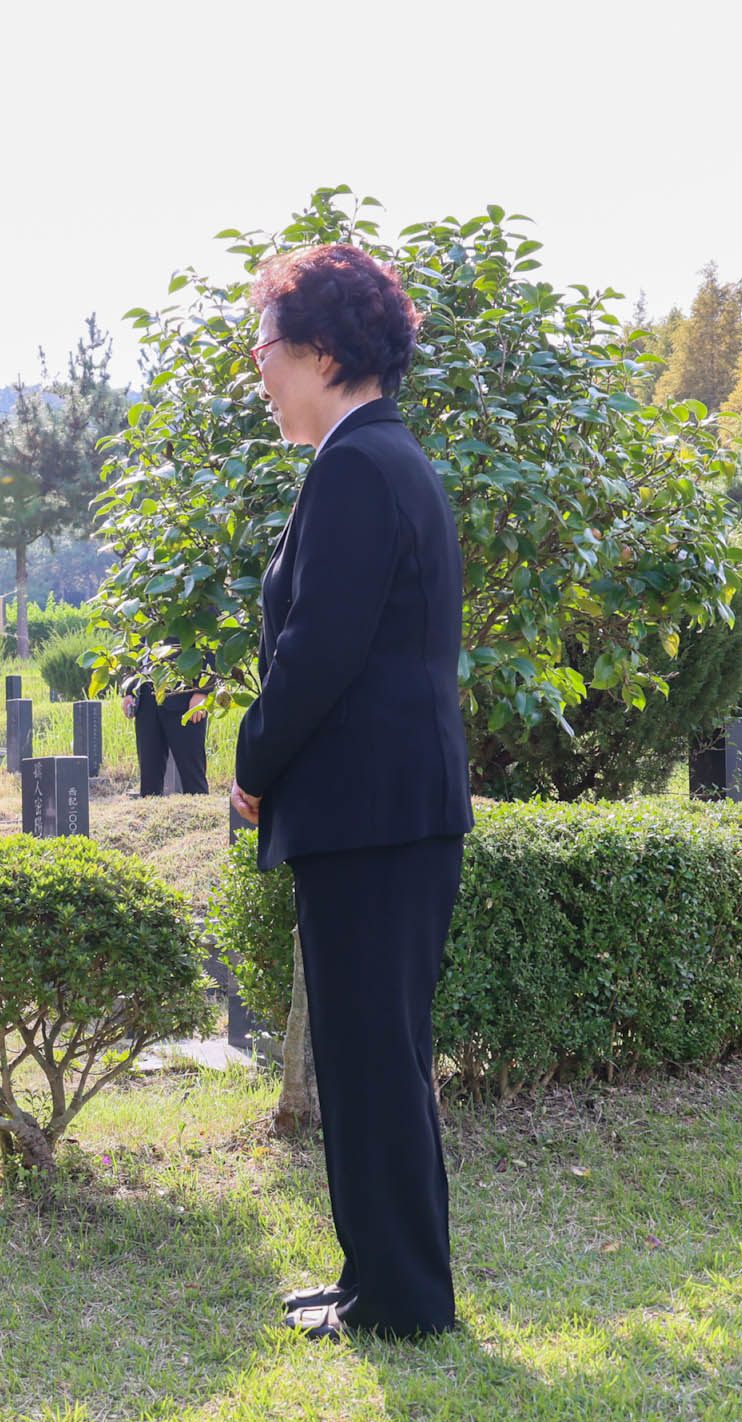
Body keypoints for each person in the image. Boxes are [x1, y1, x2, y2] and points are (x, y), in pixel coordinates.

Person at [230, 243, 471, 1342]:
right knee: (368, 1056)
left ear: (324, 354)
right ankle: (375, 1277)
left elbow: (316, 656)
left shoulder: (355, 467)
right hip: (381, 813)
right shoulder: (375, 457)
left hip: (372, 816)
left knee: (373, 1058)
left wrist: (250, 760)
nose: (258, 369)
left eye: (268, 348)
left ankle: (402, 1299)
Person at [126, 679, 208, 797]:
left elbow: (211, 660)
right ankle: (149, 813)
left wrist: (202, 692)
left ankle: (200, 813)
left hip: (185, 698)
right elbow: (133, 661)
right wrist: (129, 690)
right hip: (145, 700)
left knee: (193, 776)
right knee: (149, 779)